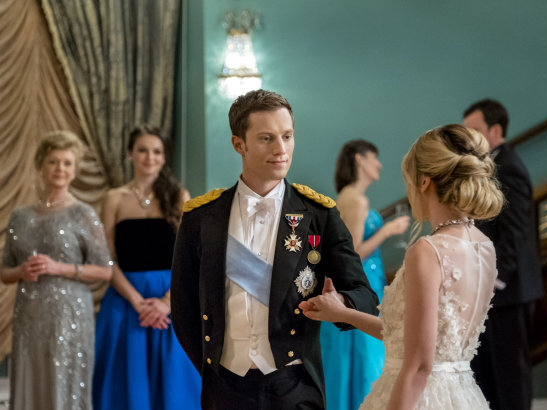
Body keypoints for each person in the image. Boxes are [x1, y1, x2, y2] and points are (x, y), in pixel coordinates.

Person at [170, 89, 379, 409]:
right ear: (239, 144)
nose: (281, 149)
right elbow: (183, 305)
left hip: (295, 384)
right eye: (267, 138)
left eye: (287, 136)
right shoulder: (201, 217)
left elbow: (364, 295)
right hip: (224, 387)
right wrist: (213, 367)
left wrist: (341, 304)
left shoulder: (319, 215)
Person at [300, 124, 504, 409]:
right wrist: (342, 313)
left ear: (424, 182)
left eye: (408, 180)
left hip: (418, 397)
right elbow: (409, 337)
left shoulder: (428, 251)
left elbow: (419, 365)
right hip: (461, 395)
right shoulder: (484, 247)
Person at [1, 131, 113, 410]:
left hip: (69, 316)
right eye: (53, 161)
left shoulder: (83, 213)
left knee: (65, 385)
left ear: (74, 170)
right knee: (30, 379)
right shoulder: (20, 216)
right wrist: (21, 271)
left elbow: (105, 271)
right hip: (28, 314)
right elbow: (4, 272)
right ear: (40, 165)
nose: (60, 168)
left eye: (67, 163)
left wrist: (58, 267)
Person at [92, 125, 200, 409]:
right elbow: (106, 258)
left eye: (156, 151)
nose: (149, 157)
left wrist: (166, 302)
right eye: (142, 150)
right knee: (126, 386)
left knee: (174, 387)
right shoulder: (113, 198)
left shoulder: (180, 196)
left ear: (164, 157)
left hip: (170, 299)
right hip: (125, 299)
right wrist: (138, 303)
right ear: (130, 154)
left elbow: (190, 257)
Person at [462, 98, 543, 410]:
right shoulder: (491, 165)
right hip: (492, 291)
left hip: (508, 292)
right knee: (490, 379)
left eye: (474, 130)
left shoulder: (509, 167)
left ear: (495, 131)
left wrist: (494, 283)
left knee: (511, 380)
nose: (468, 138)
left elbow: (515, 232)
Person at [321, 140, 410, 410]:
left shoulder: (347, 196)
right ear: (360, 159)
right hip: (361, 284)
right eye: (375, 157)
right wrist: (387, 231)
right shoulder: (356, 200)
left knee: (354, 361)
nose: (379, 164)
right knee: (365, 360)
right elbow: (355, 253)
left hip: (364, 281)